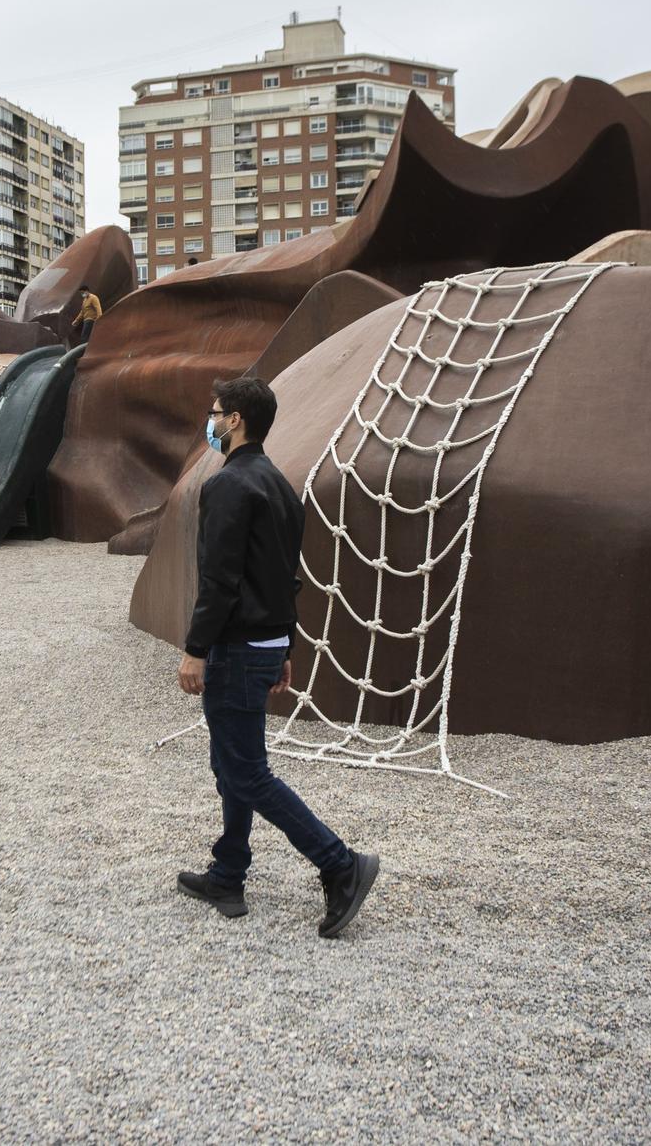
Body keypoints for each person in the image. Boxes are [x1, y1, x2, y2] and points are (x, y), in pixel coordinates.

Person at [174, 374, 379, 938]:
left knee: (246, 771)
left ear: (236, 419)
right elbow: (286, 579)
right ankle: (228, 873)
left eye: (216, 413)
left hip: (236, 649)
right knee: (231, 765)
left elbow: (219, 580)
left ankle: (340, 865)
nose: (211, 422)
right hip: (264, 644)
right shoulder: (281, 485)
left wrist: (196, 649)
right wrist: (285, 647)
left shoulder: (228, 485)